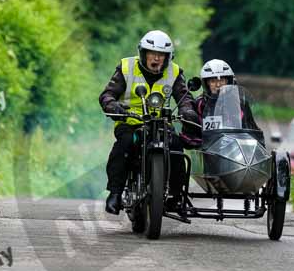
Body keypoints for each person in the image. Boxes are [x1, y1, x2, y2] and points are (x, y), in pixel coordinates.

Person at [99, 29, 198, 214]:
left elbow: (184, 97)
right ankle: (115, 193)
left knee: (176, 146)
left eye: (161, 55)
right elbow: (107, 95)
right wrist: (114, 106)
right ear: (143, 54)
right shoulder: (126, 67)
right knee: (125, 144)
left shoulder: (175, 72)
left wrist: (187, 110)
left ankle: (176, 197)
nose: (156, 59)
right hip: (130, 122)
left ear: (168, 58)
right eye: (152, 53)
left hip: (161, 123)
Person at [196, 58, 260, 131]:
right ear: (207, 83)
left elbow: (253, 130)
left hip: (235, 141)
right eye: (213, 81)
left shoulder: (240, 103)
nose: (218, 84)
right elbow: (194, 133)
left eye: (222, 80)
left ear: (228, 81)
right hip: (208, 142)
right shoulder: (199, 103)